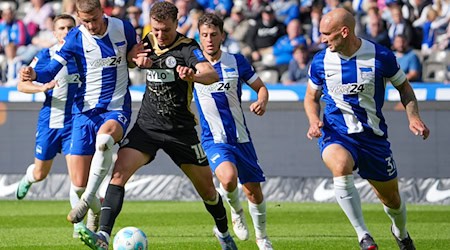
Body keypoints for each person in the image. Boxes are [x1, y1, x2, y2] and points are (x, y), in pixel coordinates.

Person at [74, 2, 237, 250]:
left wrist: (193, 75)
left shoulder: (187, 48)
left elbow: (211, 73)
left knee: (208, 192)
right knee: (117, 175)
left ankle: (224, 233)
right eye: (157, 29)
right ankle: (104, 237)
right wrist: (135, 59)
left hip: (181, 131)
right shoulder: (148, 40)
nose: (160, 36)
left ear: (176, 24)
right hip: (147, 126)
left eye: (166, 31)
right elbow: (129, 59)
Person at [304, 8, 430, 250]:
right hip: (336, 132)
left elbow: (404, 88)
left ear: (344, 31)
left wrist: (413, 117)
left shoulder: (380, 56)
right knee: (340, 166)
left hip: (372, 138)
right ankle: (363, 236)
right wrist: (313, 119)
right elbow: (311, 97)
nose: (321, 40)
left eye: (326, 34)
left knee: (391, 200)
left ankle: (401, 234)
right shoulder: (320, 60)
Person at [20, 0, 141, 231]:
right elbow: (48, 72)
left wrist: (138, 59)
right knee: (77, 185)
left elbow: (134, 57)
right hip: (83, 113)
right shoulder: (75, 38)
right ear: (78, 17)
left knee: (105, 141)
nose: (92, 25)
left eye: (95, 19)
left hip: (115, 108)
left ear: (102, 12)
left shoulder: (123, 27)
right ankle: (94, 207)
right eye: (85, 21)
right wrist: (33, 72)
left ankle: (88, 200)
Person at [196, 13, 273, 250]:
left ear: (222, 36)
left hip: (241, 137)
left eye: (213, 35)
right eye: (204, 35)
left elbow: (261, 88)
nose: (209, 40)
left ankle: (262, 239)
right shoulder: (193, 64)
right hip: (214, 139)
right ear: (199, 37)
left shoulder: (236, 61)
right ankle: (236, 211)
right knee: (227, 179)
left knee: (254, 193)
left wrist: (262, 101)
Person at [14, 14, 90, 237]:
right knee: (40, 173)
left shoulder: (84, 55)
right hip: (50, 121)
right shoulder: (45, 55)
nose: (66, 31)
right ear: (55, 33)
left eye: (70, 28)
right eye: (61, 28)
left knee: (77, 178)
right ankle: (29, 178)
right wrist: (41, 88)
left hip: (75, 124)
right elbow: (22, 84)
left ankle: (78, 226)